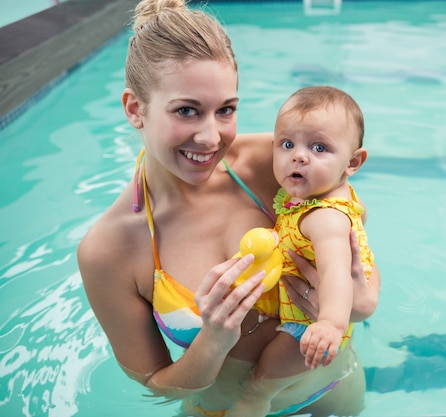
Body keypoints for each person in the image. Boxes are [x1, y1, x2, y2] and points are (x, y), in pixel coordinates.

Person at [76, 0, 380, 416]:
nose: (210, 137)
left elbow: (352, 234)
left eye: (226, 110)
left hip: (330, 387)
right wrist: (214, 340)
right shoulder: (109, 250)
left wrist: (359, 302)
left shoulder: (278, 163)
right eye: (187, 110)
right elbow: (155, 386)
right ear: (135, 109)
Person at [226, 86, 374, 417]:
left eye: (319, 147)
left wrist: (331, 324)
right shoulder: (333, 196)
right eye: (287, 144)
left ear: (353, 162)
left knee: (256, 390)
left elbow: (337, 269)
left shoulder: (323, 218)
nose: (299, 156)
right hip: (311, 322)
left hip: (306, 329)